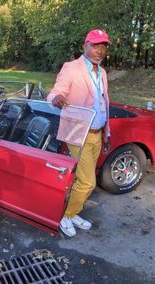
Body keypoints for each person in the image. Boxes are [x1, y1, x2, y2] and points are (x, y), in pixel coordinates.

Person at [47, 29, 111, 237]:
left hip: (97, 133)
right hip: (78, 133)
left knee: (82, 179)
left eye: (103, 47)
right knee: (88, 182)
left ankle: (73, 213)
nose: (99, 51)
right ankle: (66, 215)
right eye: (95, 46)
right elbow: (56, 92)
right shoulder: (71, 68)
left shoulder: (102, 73)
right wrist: (56, 99)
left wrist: (106, 132)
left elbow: (103, 103)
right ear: (85, 45)